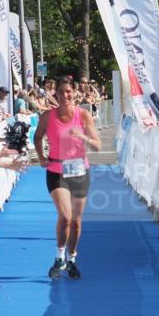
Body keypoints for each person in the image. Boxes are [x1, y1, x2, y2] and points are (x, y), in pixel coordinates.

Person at [34, 76, 101, 280]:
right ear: (56, 94)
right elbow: (37, 137)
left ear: (75, 93)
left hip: (79, 171)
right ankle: (59, 256)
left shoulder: (83, 115)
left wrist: (82, 136)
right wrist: (41, 156)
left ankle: (72, 258)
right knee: (66, 216)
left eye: (69, 92)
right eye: (61, 92)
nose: (65, 95)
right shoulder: (48, 116)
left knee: (77, 223)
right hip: (56, 170)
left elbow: (97, 145)